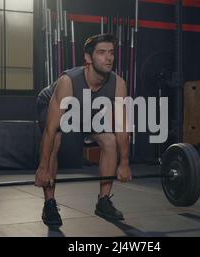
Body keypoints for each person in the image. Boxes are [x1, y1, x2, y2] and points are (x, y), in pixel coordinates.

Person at [35, 34, 132, 227]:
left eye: (111, 53)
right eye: (102, 53)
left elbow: (122, 129)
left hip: (88, 108)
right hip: (54, 105)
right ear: (88, 58)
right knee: (56, 140)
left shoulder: (118, 84)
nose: (109, 58)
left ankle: (103, 201)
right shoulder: (68, 82)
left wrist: (124, 163)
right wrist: (43, 168)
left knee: (110, 141)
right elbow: (50, 130)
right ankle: (50, 204)